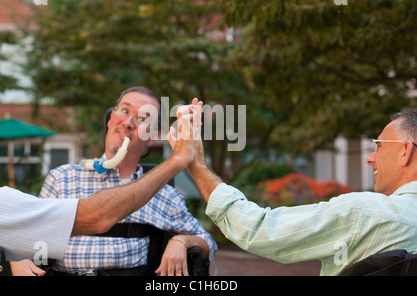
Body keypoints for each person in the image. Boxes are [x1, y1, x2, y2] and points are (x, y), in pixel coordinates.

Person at [169, 104, 417, 276]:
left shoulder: (364, 214)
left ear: (405, 151)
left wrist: (195, 162)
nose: (370, 158)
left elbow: (257, 229)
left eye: (379, 146)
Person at [0, 99, 199, 274]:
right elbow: (35, 236)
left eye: (142, 118)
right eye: (125, 111)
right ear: (110, 119)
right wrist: (19, 255)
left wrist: (182, 240)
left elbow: (205, 239)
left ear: (152, 136)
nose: (129, 122)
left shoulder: (165, 193)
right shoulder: (62, 177)